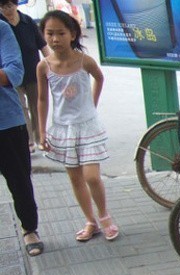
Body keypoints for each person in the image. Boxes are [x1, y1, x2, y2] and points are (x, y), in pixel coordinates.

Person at [37, 9, 119, 242]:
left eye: (60, 33)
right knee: (75, 178)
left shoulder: (84, 61)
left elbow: (99, 78)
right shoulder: (44, 67)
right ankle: (90, 221)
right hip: (63, 130)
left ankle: (104, 217)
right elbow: (42, 100)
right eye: (49, 33)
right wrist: (41, 131)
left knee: (92, 176)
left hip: (88, 127)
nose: (55, 39)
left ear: (72, 34)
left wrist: (92, 103)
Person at [0, 18, 43, 255]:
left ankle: (30, 229)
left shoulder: (2, 29)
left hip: (7, 122)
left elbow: (14, 73)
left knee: (20, 182)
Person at [0, 0, 50, 153]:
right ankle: (28, 140)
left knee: (36, 106)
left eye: (9, 5)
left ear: (16, 5)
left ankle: (38, 137)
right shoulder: (1, 24)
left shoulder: (27, 21)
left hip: (33, 72)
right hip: (10, 78)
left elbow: (42, 45)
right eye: (2, 6)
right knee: (21, 107)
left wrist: (52, 63)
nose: (6, 9)